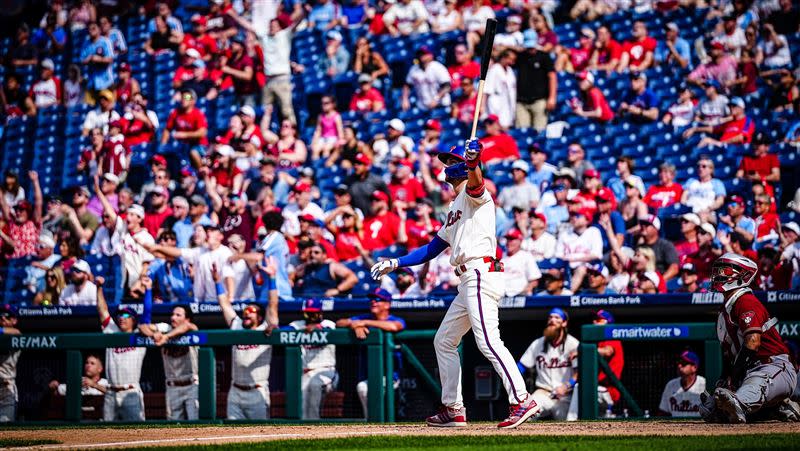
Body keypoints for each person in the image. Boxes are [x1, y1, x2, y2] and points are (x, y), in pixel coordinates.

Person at [370, 141, 540, 429]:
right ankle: (454, 409)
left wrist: (474, 161)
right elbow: (432, 249)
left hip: (480, 273)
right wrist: (396, 262)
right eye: (447, 161)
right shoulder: (453, 208)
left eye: (453, 161)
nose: (448, 165)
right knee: (444, 340)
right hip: (466, 279)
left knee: (488, 340)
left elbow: (476, 184)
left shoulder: (477, 197)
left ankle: (522, 400)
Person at [700, 254, 798, 423]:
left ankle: (748, 403)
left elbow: (753, 343)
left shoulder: (745, 301)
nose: (718, 274)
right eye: (717, 270)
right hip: (750, 369)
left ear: (744, 275)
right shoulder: (725, 310)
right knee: (715, 409)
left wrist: (734, 377)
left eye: (725, 269)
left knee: (741, 397)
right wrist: (724, 381)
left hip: (773, 366)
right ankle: (778, 408)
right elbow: (728, 357)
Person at [337, 288, 406, 419]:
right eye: (372, 299)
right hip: (368, 375)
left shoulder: (394, 319)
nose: (373, 302)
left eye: (378, 300)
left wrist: (365, 323)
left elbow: (395, 326)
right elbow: (339, 322)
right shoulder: (363, 318)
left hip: (391, 376)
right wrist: (355, 325)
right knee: (362, 388)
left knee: (383, 397)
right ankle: (371, 421)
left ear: (387, 304)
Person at [215, 265, 273, 420]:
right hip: (235, 391)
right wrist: (217, 282)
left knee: (261, 435)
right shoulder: (237, 325)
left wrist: (272, 279)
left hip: (257, 390)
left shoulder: (265, 329)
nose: (247, 313)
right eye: (245, 311)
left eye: (252, 311)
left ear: (260, 317)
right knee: (233, 434)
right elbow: (224, 304)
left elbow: (273, 305)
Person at [137, 281, 199, 420]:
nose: (173, 317)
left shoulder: (191, 329)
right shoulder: (165, 327)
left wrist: (166, 337)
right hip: (172, 386)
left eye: (178, 315)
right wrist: (153, 334)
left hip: (192, 385)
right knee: (174, 427)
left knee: (197, 424)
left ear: (186, 318)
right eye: (172, 314)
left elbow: (188, 326)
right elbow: (143, 326)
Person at [95, 278, 146, 421]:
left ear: (133, 320)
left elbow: (147, 316)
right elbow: (102, 311)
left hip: (130, 392)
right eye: (119, 315)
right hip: (111, 393)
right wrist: (99, 288)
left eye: (126, 315)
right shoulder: (112, 331)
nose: (121, 318)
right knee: (107, 434)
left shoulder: (139, 336)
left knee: (138, 433)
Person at [518, 308, 579, 421]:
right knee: (525, 416)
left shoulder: (573, 344)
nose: (552, 320)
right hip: (543, 392)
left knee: (569, 424)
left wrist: (566, 386)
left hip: (566, 396)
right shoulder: (538, 343)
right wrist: (513, 381)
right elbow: (522, 366)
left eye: (557, 318)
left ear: (564, 323)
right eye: (550, 317)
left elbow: (579, 373)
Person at [566, 310, 624, 421]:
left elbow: (608, 351)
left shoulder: (612, 337)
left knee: (579, 388)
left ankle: (571, 421)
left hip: (609, 390)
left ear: (608, 322)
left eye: (598, 320)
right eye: (594, 319)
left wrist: (582, 351)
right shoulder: (599, 341)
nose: (594, 322)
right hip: (600, 390)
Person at [288, 298, 338, 420]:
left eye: (314, 313)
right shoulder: (297, 325)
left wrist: (316, 328)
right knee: (302, 407)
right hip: (305, 373)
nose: (310, 316)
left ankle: (315, 430)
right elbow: (284, 331)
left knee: (315, 385)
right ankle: (303, 432)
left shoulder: (328, 324)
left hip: (326, 371)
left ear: (320, 313)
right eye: (308, 313)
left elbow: (329, 331)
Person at [515, 35, 557, 131]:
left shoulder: (544, 56)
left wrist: (552, 97)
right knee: (522, 132)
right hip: (521, 101)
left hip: (539, 101)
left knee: (539, 132)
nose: (530, 49)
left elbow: (552, 76)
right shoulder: (520, 57)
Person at [658, 350, 706, 418]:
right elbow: (663, 412)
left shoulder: (704, 384)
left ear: (694, 367)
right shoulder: (671, 385)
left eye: (684, 363)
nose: (679, 365)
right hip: (676, 427)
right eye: (679, 362)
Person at [402, 46, 451, 111]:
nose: (422, 56)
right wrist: (405, 99)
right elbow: (407, 85)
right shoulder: (414, 69)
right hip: (423, 107)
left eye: (424, 54)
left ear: (431, 55)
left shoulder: (438, 67)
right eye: (420, 54)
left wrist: (436, 99)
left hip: (441, 105)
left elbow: (447, 86)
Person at [501, 229, 541, 297]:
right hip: (502, 296)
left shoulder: (526, 256)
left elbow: (534, 280)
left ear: (520, 241)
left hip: (521, 295)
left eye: (512, 239)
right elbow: (495, 278)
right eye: (507, 239)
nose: (509, 242)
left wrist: (525, 291)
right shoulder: (501, 257)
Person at [484, 50, 517, 129]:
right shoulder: (494, 69)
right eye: (510, 59)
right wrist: (482, 107)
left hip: (508, 102)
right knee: (498, 126)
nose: (512, 62)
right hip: (496, 101)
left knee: (507, 126)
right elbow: (487, 90)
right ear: (503, 58)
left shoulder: (510, 70)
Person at [0, 305, 21, 422]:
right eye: (1, 316)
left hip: (6, 389)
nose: (3, 318)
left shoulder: (15, 334)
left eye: (7, 316)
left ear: (14, 320)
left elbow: (16, 332)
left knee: (5, 429)